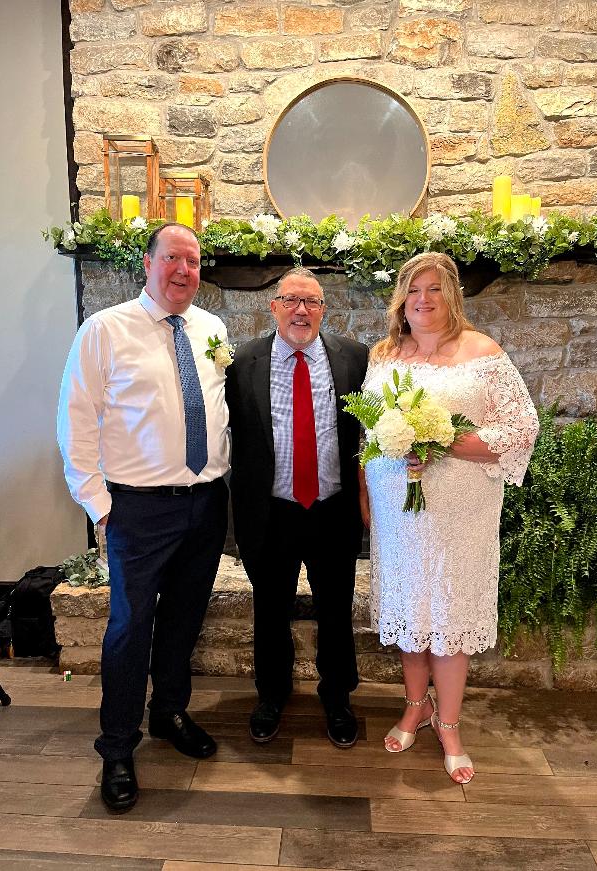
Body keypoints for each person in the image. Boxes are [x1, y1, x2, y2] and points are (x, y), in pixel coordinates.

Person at [57, 223, 230, 812]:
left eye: (194, 261)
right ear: (149, 264)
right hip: (137, 507)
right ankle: (117, 747)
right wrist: (99, 506)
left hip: (205, 504)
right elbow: (75, 420)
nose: (184, 270)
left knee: (184, 620)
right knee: (129, 630)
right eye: (173, 259)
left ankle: (170, 713)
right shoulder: (104, 330)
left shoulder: (211, 329)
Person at [359, 252, 538, 784]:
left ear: (452, 295)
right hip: (398, 508)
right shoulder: (384, 354)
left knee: (450, 618)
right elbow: (369, 435)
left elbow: (521, 427)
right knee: (412, 614)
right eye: (414, 290)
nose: (424, 300)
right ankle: (416, 705)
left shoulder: (483, 352)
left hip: (461, 512)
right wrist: (368, 495)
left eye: (435, 290)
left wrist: (451, 441)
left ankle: (451, 723)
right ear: (402, 299)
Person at [226, 267, 368, 748]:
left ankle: (338, 697)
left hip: (332, 509)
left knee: (336, 609)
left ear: (324, 308)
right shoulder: (242, 362)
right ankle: (271, 694)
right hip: (271, 512)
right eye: (290, 300)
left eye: (312, 302)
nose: (301, 310)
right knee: (269, 609)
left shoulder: (355, 359)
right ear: (274, 307)